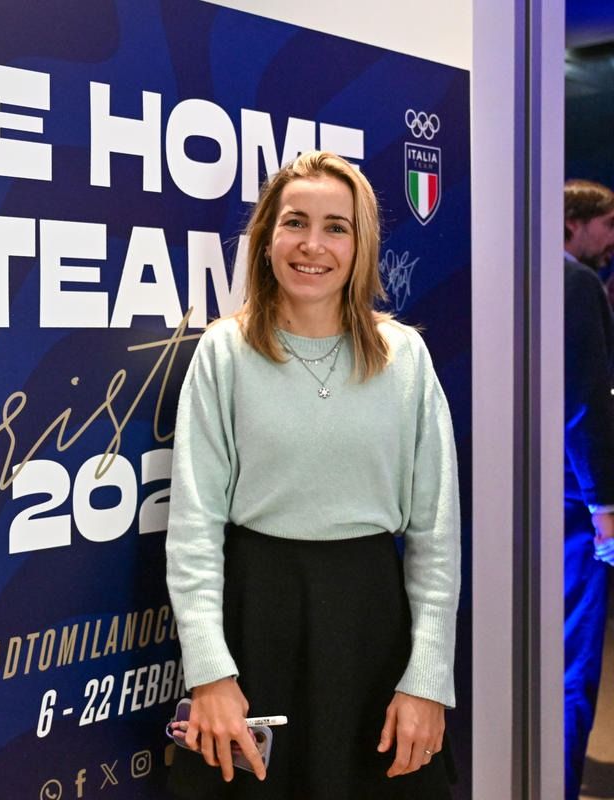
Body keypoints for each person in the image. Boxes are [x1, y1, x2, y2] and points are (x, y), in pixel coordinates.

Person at [165, 151, 460, 799]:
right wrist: (210, 676)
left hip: (372, 629)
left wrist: (428, 680)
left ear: (361, 246)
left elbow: (436, 541)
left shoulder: (405, 358)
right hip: (255, 621)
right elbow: (193, 531)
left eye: (336, 227)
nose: (313, 245)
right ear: (267, 237)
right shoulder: (224, 352)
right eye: (295, 222)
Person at [562, 179, 614, 800]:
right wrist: (604, 506)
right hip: (575, 504)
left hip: (533, 498)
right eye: (608, 224)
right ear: (574, 222)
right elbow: (584, 402)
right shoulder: (574, 283)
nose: (612, 239)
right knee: (573, 662)